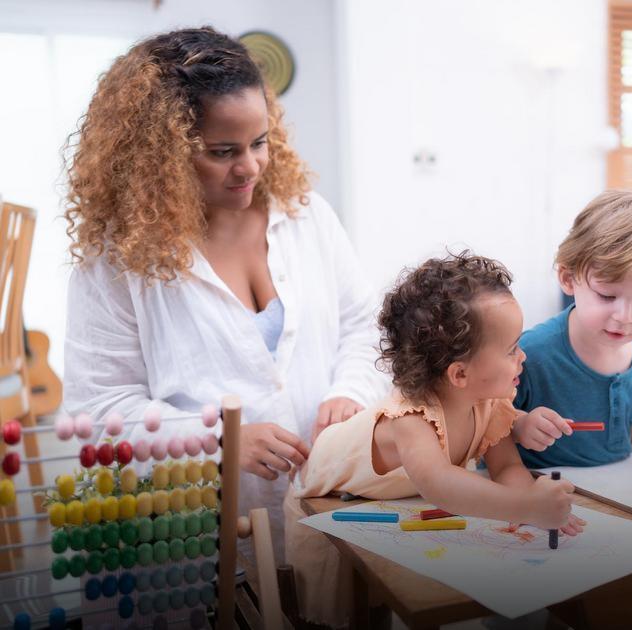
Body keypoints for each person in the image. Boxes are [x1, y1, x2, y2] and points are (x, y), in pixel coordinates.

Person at [62, 27, 389, 561]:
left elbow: (362, 324)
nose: (251, 167)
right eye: (222, 151)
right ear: (159, 155)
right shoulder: (118, 258)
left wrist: (351, 389)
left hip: (328, 509)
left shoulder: (304, 214)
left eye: (259, 142)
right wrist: (220, 440)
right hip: (197, 539)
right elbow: (99, 410)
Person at [284, 252, 585, 626]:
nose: (523, 357)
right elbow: (440, 484)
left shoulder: (489, 401)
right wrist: (524, 508)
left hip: (384, 503)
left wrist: (533, 505)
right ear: (459, 374)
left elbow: (506, 465)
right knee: (338, 617)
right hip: (321, 499)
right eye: (511, 349)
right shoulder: (410, 419)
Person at [511, 191, 632, 468]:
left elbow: (630, 425)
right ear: (568, 278)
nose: (624, 317)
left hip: (613, 488)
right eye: (607, 296)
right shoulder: (530, 353)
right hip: (536, 491)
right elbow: (483, 423)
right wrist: (519, 426)